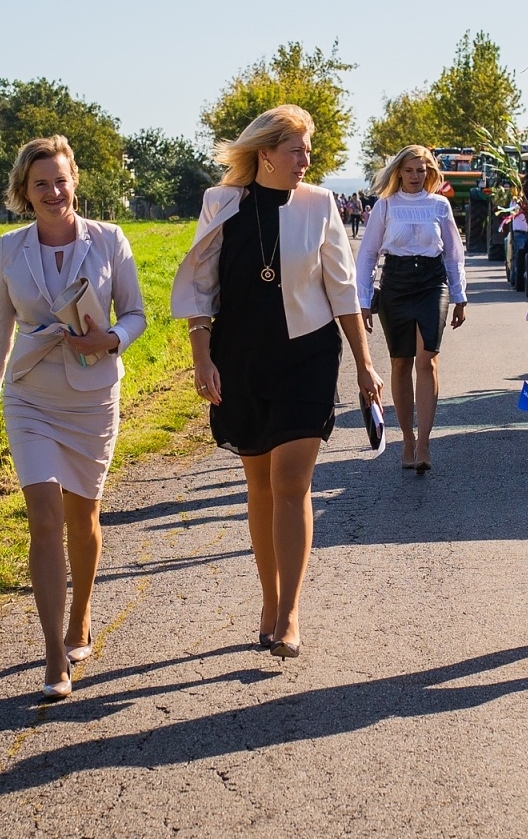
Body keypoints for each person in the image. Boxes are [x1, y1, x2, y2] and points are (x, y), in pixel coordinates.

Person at [171, 105, 384, 659]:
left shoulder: (320, 205)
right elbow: (200, 291)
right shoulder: (222, 204)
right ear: (264, 154)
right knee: (260, 485)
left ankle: (289, 611)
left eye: (308, 151)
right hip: (240, 359)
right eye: (297, 151)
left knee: (291, 482)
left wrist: (364, 364)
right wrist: (201, 359)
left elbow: (342, 288)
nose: (306, 161)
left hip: (307, 355)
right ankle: (269, 600)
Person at [0, 135, 147, 700]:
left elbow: (138, 313)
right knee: (43, 516)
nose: (53, 191)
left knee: (83, 517)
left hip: (92, 396)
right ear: (25, 191)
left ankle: (83, 613)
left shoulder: (109, 240)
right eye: (40, 182)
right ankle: (53, 655)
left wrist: (113, 338)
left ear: (75, 182)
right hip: (31, 396)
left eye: (61, 180)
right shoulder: (8, 248)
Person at [355, 146, 468, 473]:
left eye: (421, 170)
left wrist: (460, 296)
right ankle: (406, 439)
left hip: (433, 284)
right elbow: (367, 255)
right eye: (409, 170)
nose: (416, 176)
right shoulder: (386, 206)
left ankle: (424, 443)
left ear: (429, 172)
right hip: (396, 285)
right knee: (400, 363)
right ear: (398, 172)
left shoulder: (439, 205)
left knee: (427, 359)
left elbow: (453, 256)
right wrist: (363, 302)